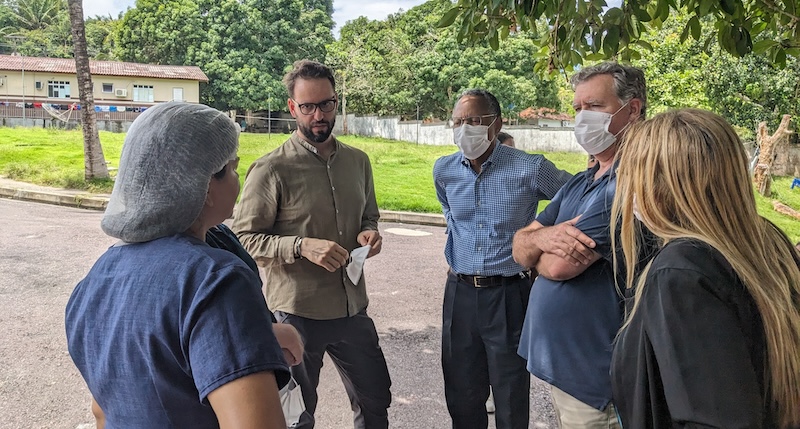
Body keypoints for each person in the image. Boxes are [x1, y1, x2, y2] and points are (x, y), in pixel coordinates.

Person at [65, 102, 290, 428]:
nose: (238, 177)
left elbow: (103, 411)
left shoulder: (94, 282)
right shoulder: (216, 281)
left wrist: (263, 335)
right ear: (205, 184)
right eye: (232, 166)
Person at [610, 109, 800, 428]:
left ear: (661, 184)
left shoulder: (681, 271)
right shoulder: (768, 240)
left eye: (631, 174)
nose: (625, 187)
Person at [232, 59, 391, 429]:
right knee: (297, 414)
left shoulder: (358, 162)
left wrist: (369, 233)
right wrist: (301, 246)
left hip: (353, 308)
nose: (319, 115)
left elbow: (369, 215)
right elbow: (244, 239)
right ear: (292, 108)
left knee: (376, 402)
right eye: (308, 107)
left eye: (327, 104)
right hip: (297, 313)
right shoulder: (271, 169)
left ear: (337, 102)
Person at [511, 62, 647, 428]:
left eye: (594, 106)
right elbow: (519, 245)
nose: (582, 117)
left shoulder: (630, 184)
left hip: (597, 379)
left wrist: (536, 245)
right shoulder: (581, 182)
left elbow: (558, 267)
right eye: (577, 108)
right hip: (565, 369)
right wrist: (541, 239)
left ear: (631, 109)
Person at [433, 89, 571, 429]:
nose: (465, 128)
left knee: (509, 393)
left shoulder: (530, 168)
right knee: (461, 391)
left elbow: (576, 199)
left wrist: (540, 243)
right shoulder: (445, 170)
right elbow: (451, 216)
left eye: (474, 121)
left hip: (508, 294)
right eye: (458, 122)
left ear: (496, 124)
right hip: (460, 293)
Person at [206, 223, 304, 366]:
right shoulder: (191, 250)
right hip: (236, 367)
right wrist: (271, 334)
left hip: (261, 346)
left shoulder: (220, 230)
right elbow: (209, 326)